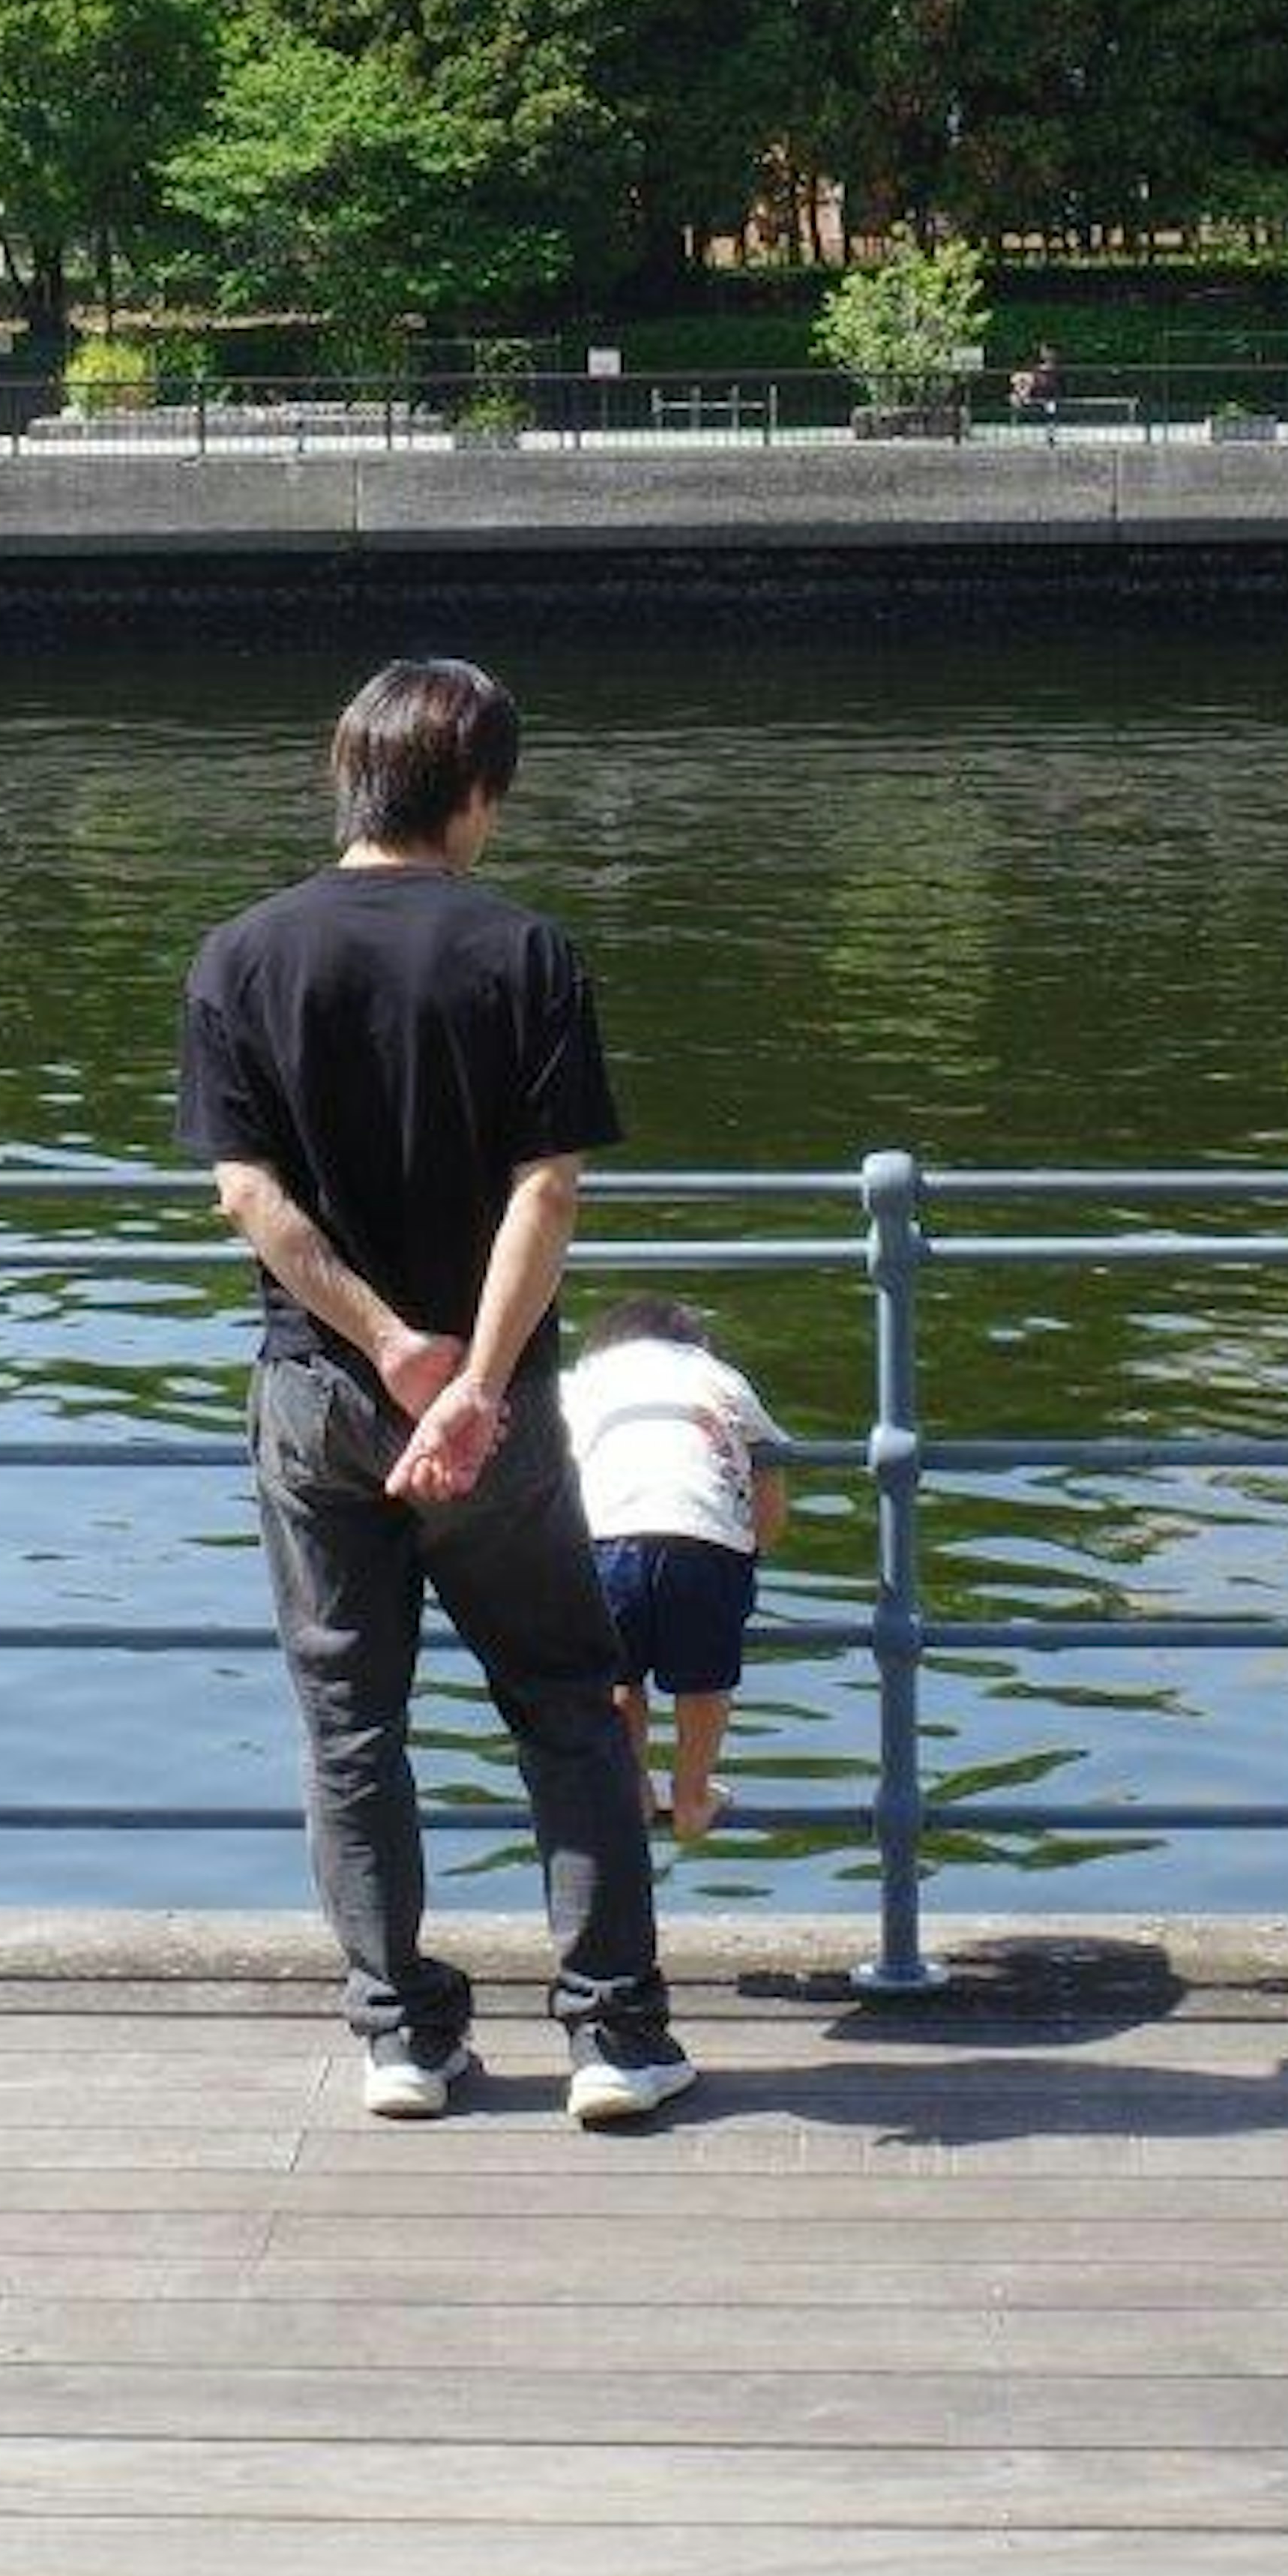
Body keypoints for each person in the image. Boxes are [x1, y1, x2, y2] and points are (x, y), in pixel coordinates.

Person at [178, 655, 694, 2133]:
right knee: (567, 1710)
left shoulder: (240, 957)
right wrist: (468, 1378)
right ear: (477, 797)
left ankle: (403, 2038)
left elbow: (249, 1199)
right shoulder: (526, 952)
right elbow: (551, 1191)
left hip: (315, 1395)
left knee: (351, 1723)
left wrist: (384, 1348)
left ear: (348, 780)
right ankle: (613, 2035)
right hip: (499, 1407)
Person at [564, 1297, 789, 1842]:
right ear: (698, 1346)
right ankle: (692, 1794)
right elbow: (769, 1474)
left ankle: (633, 1785)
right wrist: (756, 1545)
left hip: (607, 1537)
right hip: (706, 1540)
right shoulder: (721, 1379)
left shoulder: (580, 1382)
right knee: (706, 1682)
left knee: (618, 1675)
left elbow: (556, 1470)